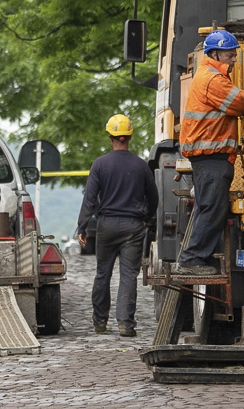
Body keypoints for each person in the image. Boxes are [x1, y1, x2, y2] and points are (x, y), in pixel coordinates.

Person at [176, 29, 244, 276]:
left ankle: (195, 258)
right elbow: (236, 104)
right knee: (212, 208)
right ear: (215, 53)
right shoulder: (212, 79)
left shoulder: (214, 77)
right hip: (211, 157)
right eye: (230, 54)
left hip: (212, 156)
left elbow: (234, 99)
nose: (234, 58)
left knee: (210, 207)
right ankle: (192, 259)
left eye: (235, 53)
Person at [76, 114, 158, 337]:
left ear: (110, 136)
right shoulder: (141, 166)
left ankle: (100, 322)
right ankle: (125, 325)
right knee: (128, 275)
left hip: (106, 226)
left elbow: (90, 199)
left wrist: (82, 227)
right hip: (133, 227)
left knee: (103, 272)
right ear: (129, 136)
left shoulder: (100, 164)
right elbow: (154, 198)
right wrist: (147, 219)